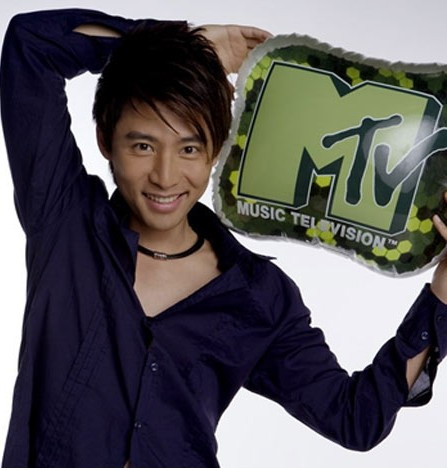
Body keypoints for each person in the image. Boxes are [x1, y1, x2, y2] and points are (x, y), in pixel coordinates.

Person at [1, 8, 446, 468]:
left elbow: (355, 418)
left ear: (216, 149)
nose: (165, 176)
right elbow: (31, 43)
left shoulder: (257, 295)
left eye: (189, 148)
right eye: (143, 146)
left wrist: (442, 295)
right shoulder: (65, 223)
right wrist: (184, 44)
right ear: (105, 140)